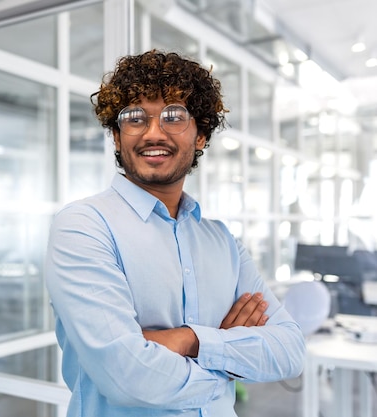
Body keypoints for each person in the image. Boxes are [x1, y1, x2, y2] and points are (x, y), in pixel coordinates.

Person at [45, 50, 306, 417]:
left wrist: (190, 339)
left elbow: (290, 351)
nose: (153, 132)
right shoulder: (85, 226)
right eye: (135, 118)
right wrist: (229, 360)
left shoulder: (221, 242)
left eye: (174, 116)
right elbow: (127, 376)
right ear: (117, 138)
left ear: (201, 135)